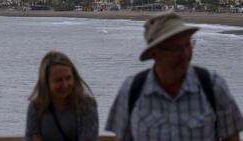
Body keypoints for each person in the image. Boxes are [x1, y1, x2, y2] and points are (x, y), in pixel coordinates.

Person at [105, 10, 243, 141]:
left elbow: (231, 138)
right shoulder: (131, 89)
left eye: (188, 45)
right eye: (176, 48)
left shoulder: (213, 86)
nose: (186, 54)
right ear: (154, 53)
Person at [25, 51, 98, 141]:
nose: (65, 85)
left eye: (68, 78)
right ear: (46, 82)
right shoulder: (36, 107)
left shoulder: (87, 105)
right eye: (59, 80)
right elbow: (32, 137)